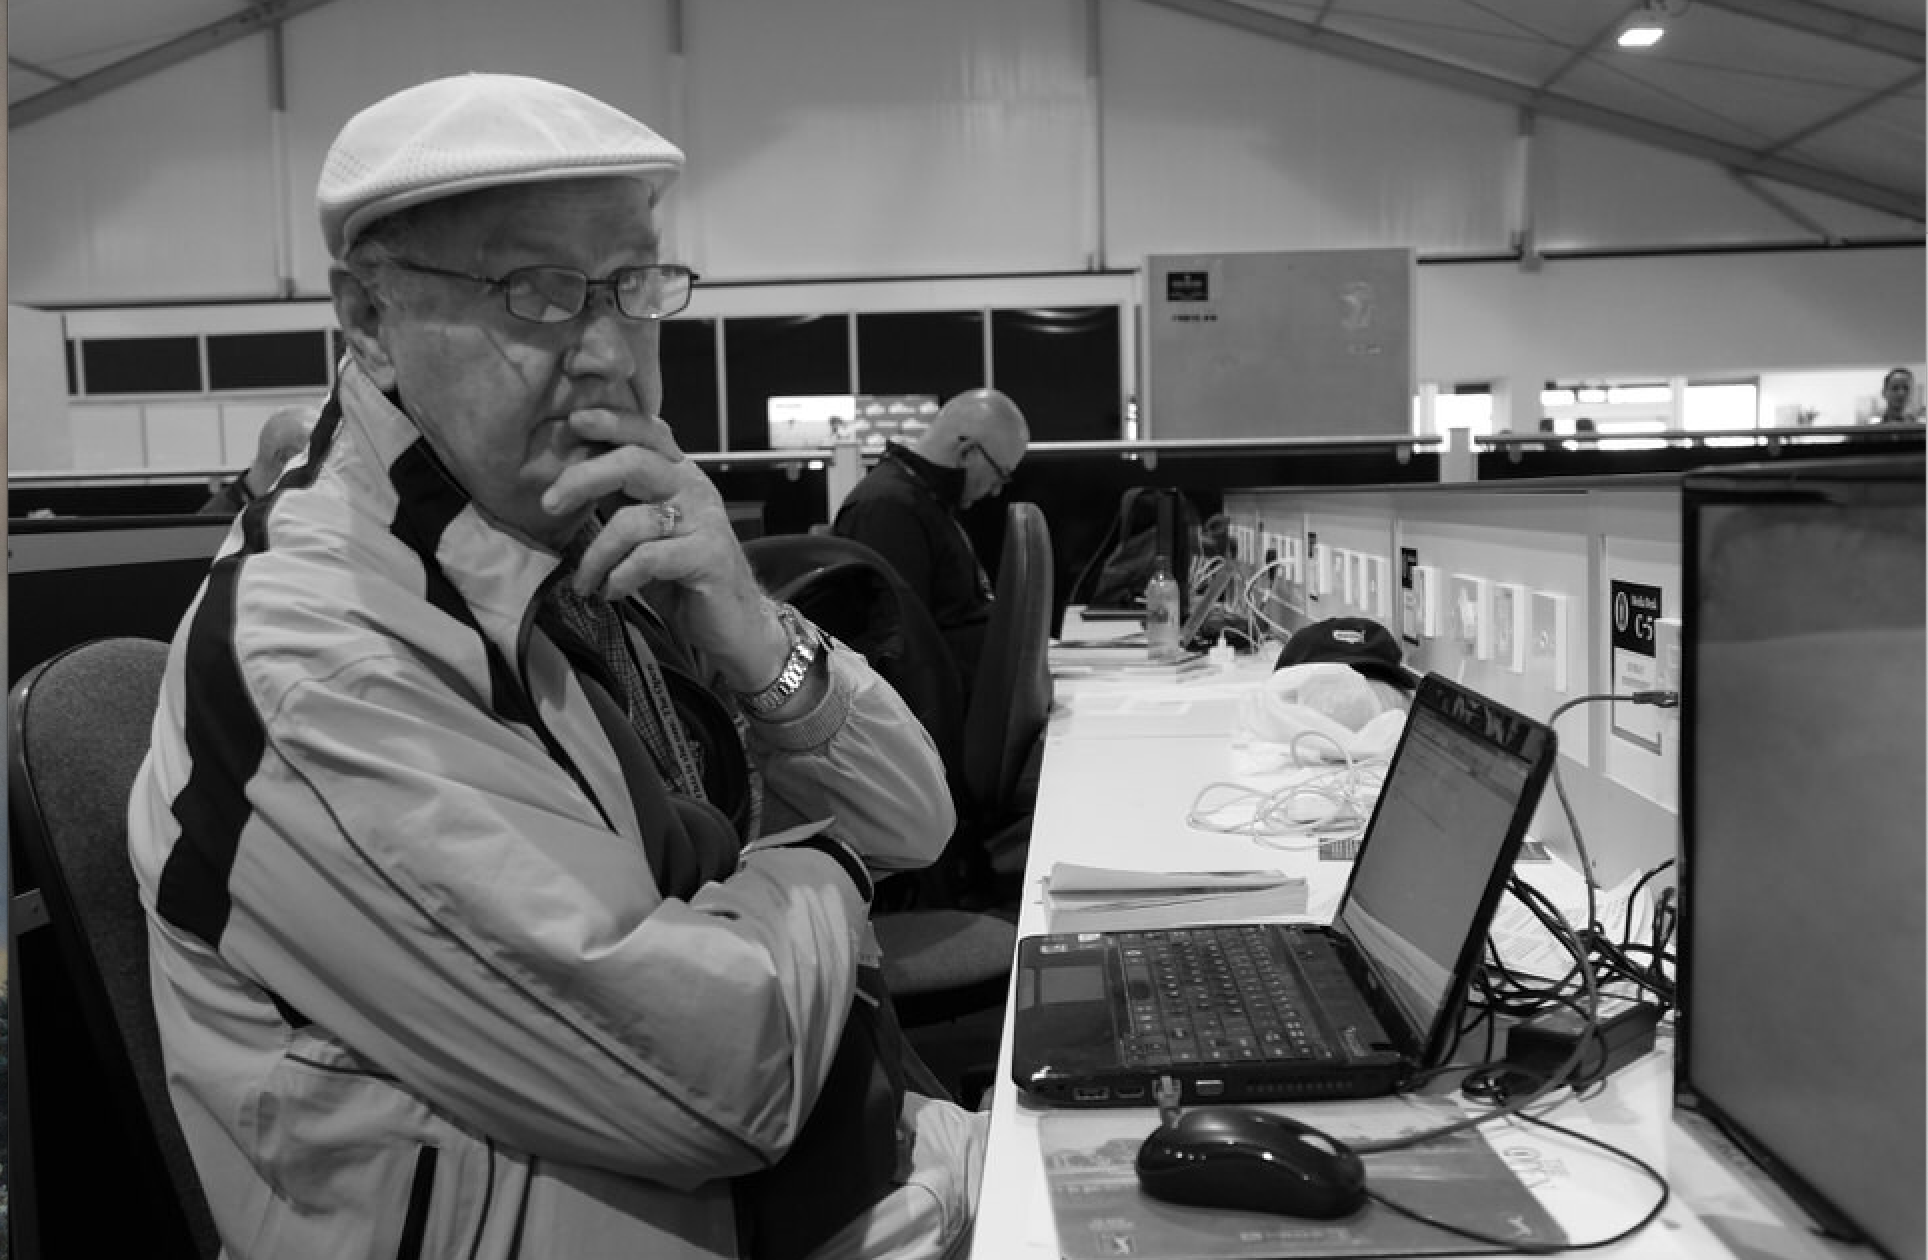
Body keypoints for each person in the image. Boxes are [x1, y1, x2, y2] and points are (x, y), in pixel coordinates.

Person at [129, 72, 980, 1260]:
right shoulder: (326, 648)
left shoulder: (584, 542)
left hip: (812, 1176)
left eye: (631, 285)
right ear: (368, 320)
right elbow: (722, 1078)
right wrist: (823, 868)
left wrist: (743, 623)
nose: (607, 352)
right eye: (533, 290)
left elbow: (915, 817)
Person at [830, 387, 1029, 690]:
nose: (996, 491)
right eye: (1000, 474)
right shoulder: (888, 510)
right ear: (968, 453)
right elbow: (903, 656)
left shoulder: (923, 500)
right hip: (943, 712)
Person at [197, 403, 317, 514]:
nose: (322, 468)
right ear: (284, 458)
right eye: (316, 458)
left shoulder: (296, 507)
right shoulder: (216, 520)